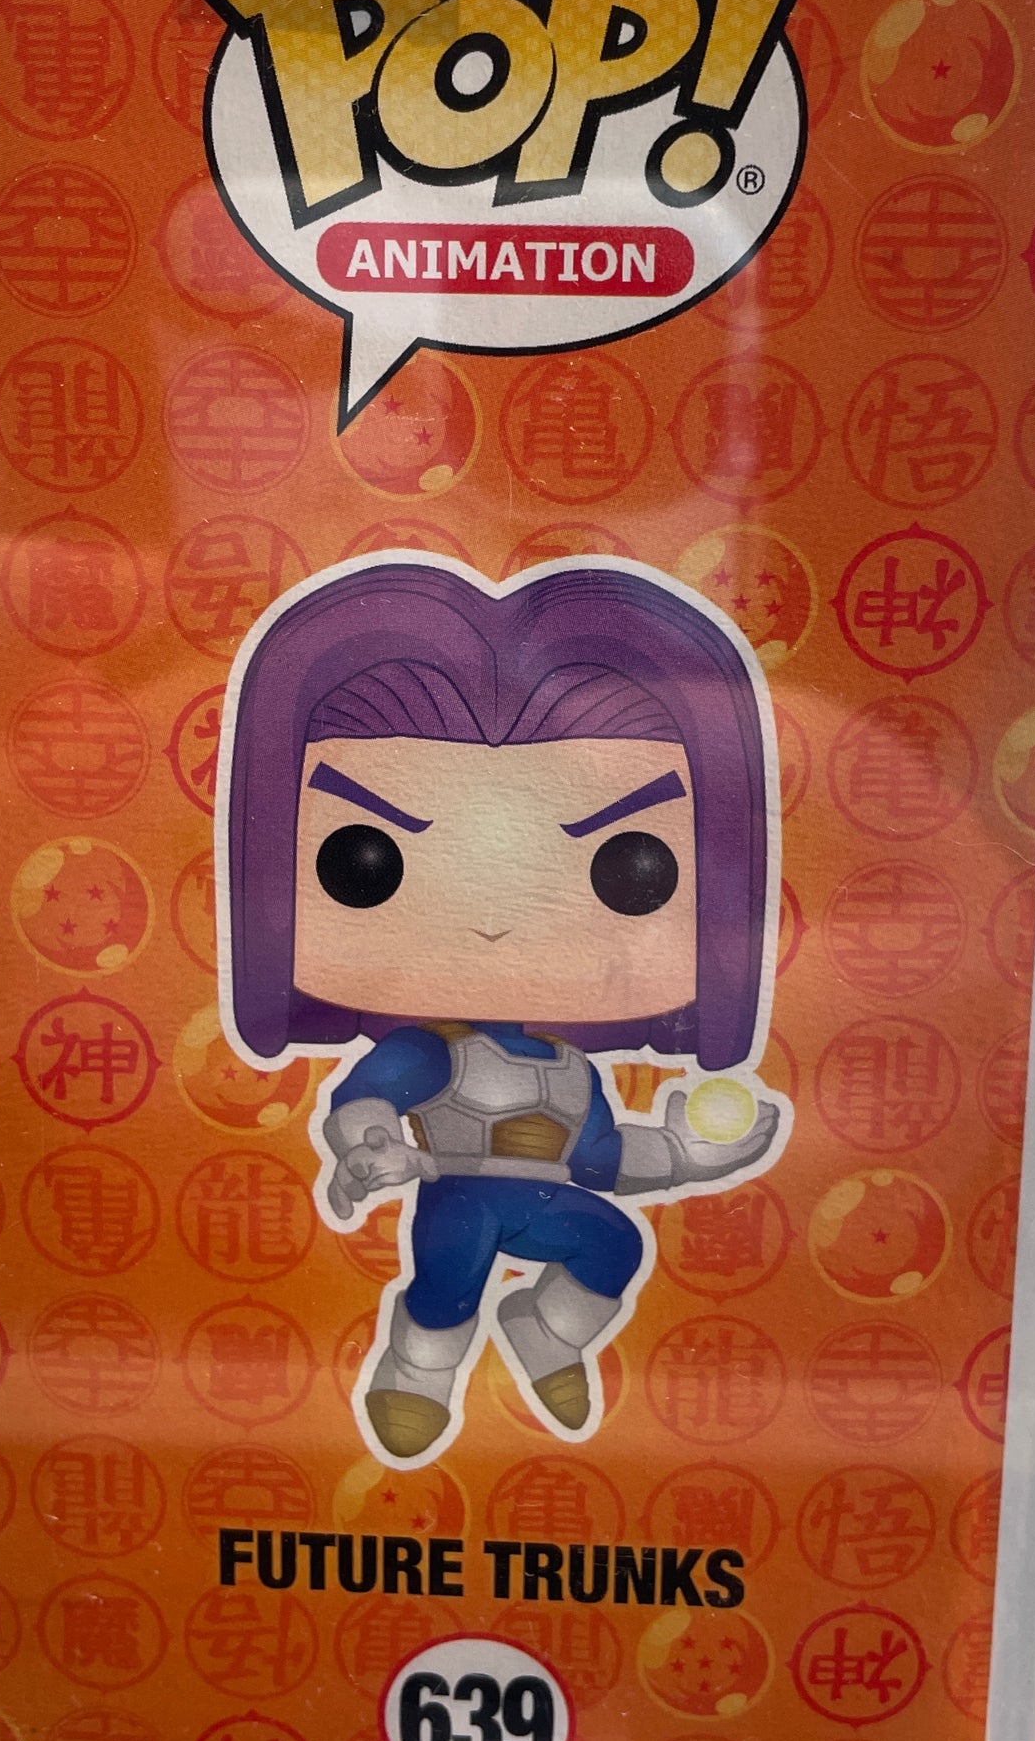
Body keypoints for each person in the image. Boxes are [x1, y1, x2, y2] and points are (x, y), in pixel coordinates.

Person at [218, 555, 788, 1463]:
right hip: (461, 1192)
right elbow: (366, 1098)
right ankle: (419, 1370)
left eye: (630, 869)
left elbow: (604, 1157)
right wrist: (370, 1141)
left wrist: (687, 1153)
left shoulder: (571, 1069)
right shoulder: (433, 1050)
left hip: (550, 1196)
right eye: (364, 863)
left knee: (613, 1245)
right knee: (452, 1265)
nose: (492, 918)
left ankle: (547, 1331)